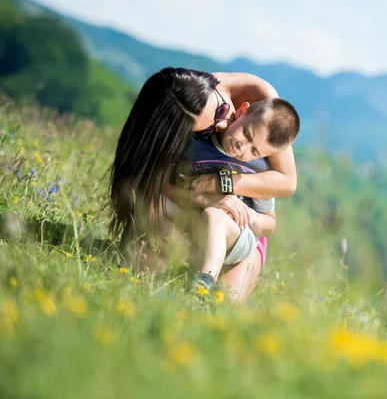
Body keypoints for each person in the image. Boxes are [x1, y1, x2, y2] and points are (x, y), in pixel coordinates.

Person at [108, 67, 298, 301]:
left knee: (223, 303)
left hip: (236, 230)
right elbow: (152, 185)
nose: (221, 125)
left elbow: (287, 184)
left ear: (241, 109)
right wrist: (203, 198)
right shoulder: (188, 132)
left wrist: (223, 183)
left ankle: (203, 279)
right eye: (206, 130)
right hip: (188, 214)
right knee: (143, 276)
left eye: (220, 111)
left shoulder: (264, 105)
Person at [167, 97, 300, 295]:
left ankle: (204, 282)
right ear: (241, 111)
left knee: (215, 216)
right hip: (191, 219)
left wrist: (247, 214)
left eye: (254, 151)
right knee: (158, 204)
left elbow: (269, 224)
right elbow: (163, 186)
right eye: (246, 133)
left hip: (235, 235)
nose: (242, 148)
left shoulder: (258, 170)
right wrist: (205, 199)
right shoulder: (196, 143)